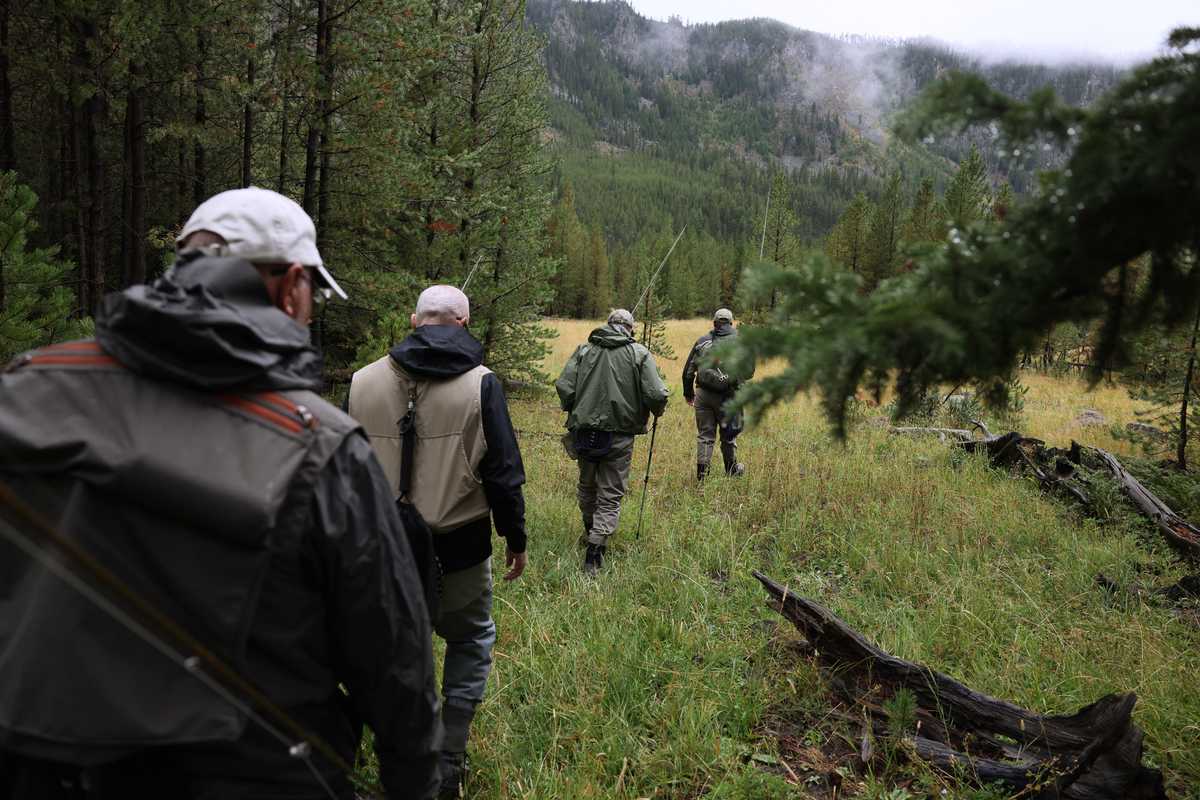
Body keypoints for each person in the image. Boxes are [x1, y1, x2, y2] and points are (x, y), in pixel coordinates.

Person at [0, 187, 441, 799]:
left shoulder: (25, 389)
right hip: (257, 775)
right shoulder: (321, 445)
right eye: (313, 294)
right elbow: (394, 660)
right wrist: (413, 780)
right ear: (291, 287)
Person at [347, 285, 527, 800]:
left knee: (393, 647)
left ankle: (392, 752)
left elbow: (338, 470)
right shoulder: (482, 385)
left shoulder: (361, 382)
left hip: (381, 549)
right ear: (464, 323)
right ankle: (449, 755)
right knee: (469, 639)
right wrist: (515, 537)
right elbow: (504, 473)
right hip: (461, 548)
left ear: (414, 320)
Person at [555, 308, 669, 575]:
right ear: (630, 329)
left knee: (587, 484)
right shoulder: (639, 353)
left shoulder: (583, 351)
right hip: (620, 435)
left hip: (584, 432)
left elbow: (565, 387)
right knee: (610, 493)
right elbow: (656, 393)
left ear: (607, 326)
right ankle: (595, 552)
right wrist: (657, 410)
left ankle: (590, 530)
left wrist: (576, 408)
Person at [682, 307, 750, 480]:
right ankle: (731, 470)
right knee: (728, 435)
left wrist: (689, 394)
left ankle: (702, 476)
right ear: (731, 323)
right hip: (730, 395)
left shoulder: (702, 341)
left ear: (714, 323)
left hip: (703, 395)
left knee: (705, 436)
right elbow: (749, 371)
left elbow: (688, 373)